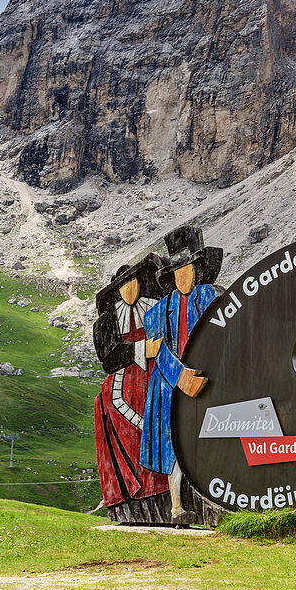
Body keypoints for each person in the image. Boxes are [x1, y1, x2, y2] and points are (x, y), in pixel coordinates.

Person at [141, 224, 223, 525]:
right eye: (177, 272)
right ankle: (176, 505)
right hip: (170, 385)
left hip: (208, 378)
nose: (183, 276)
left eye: (187, 269)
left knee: (212, 436)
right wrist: (181, 377)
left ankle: (216, 497)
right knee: (174, 442)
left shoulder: (212, 297)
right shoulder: (157, 313)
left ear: (196, 270)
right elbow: (159, 352)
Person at [93, 254, 169, 509]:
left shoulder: (155, 306)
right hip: (125, 378)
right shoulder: (109, 319)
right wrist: (140, 350)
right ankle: (130, 486)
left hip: (154, 373)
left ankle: (162, 484)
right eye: (123, 286)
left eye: (133, 282)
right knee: (119, 414)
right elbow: (107, 358)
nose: (129, 289)